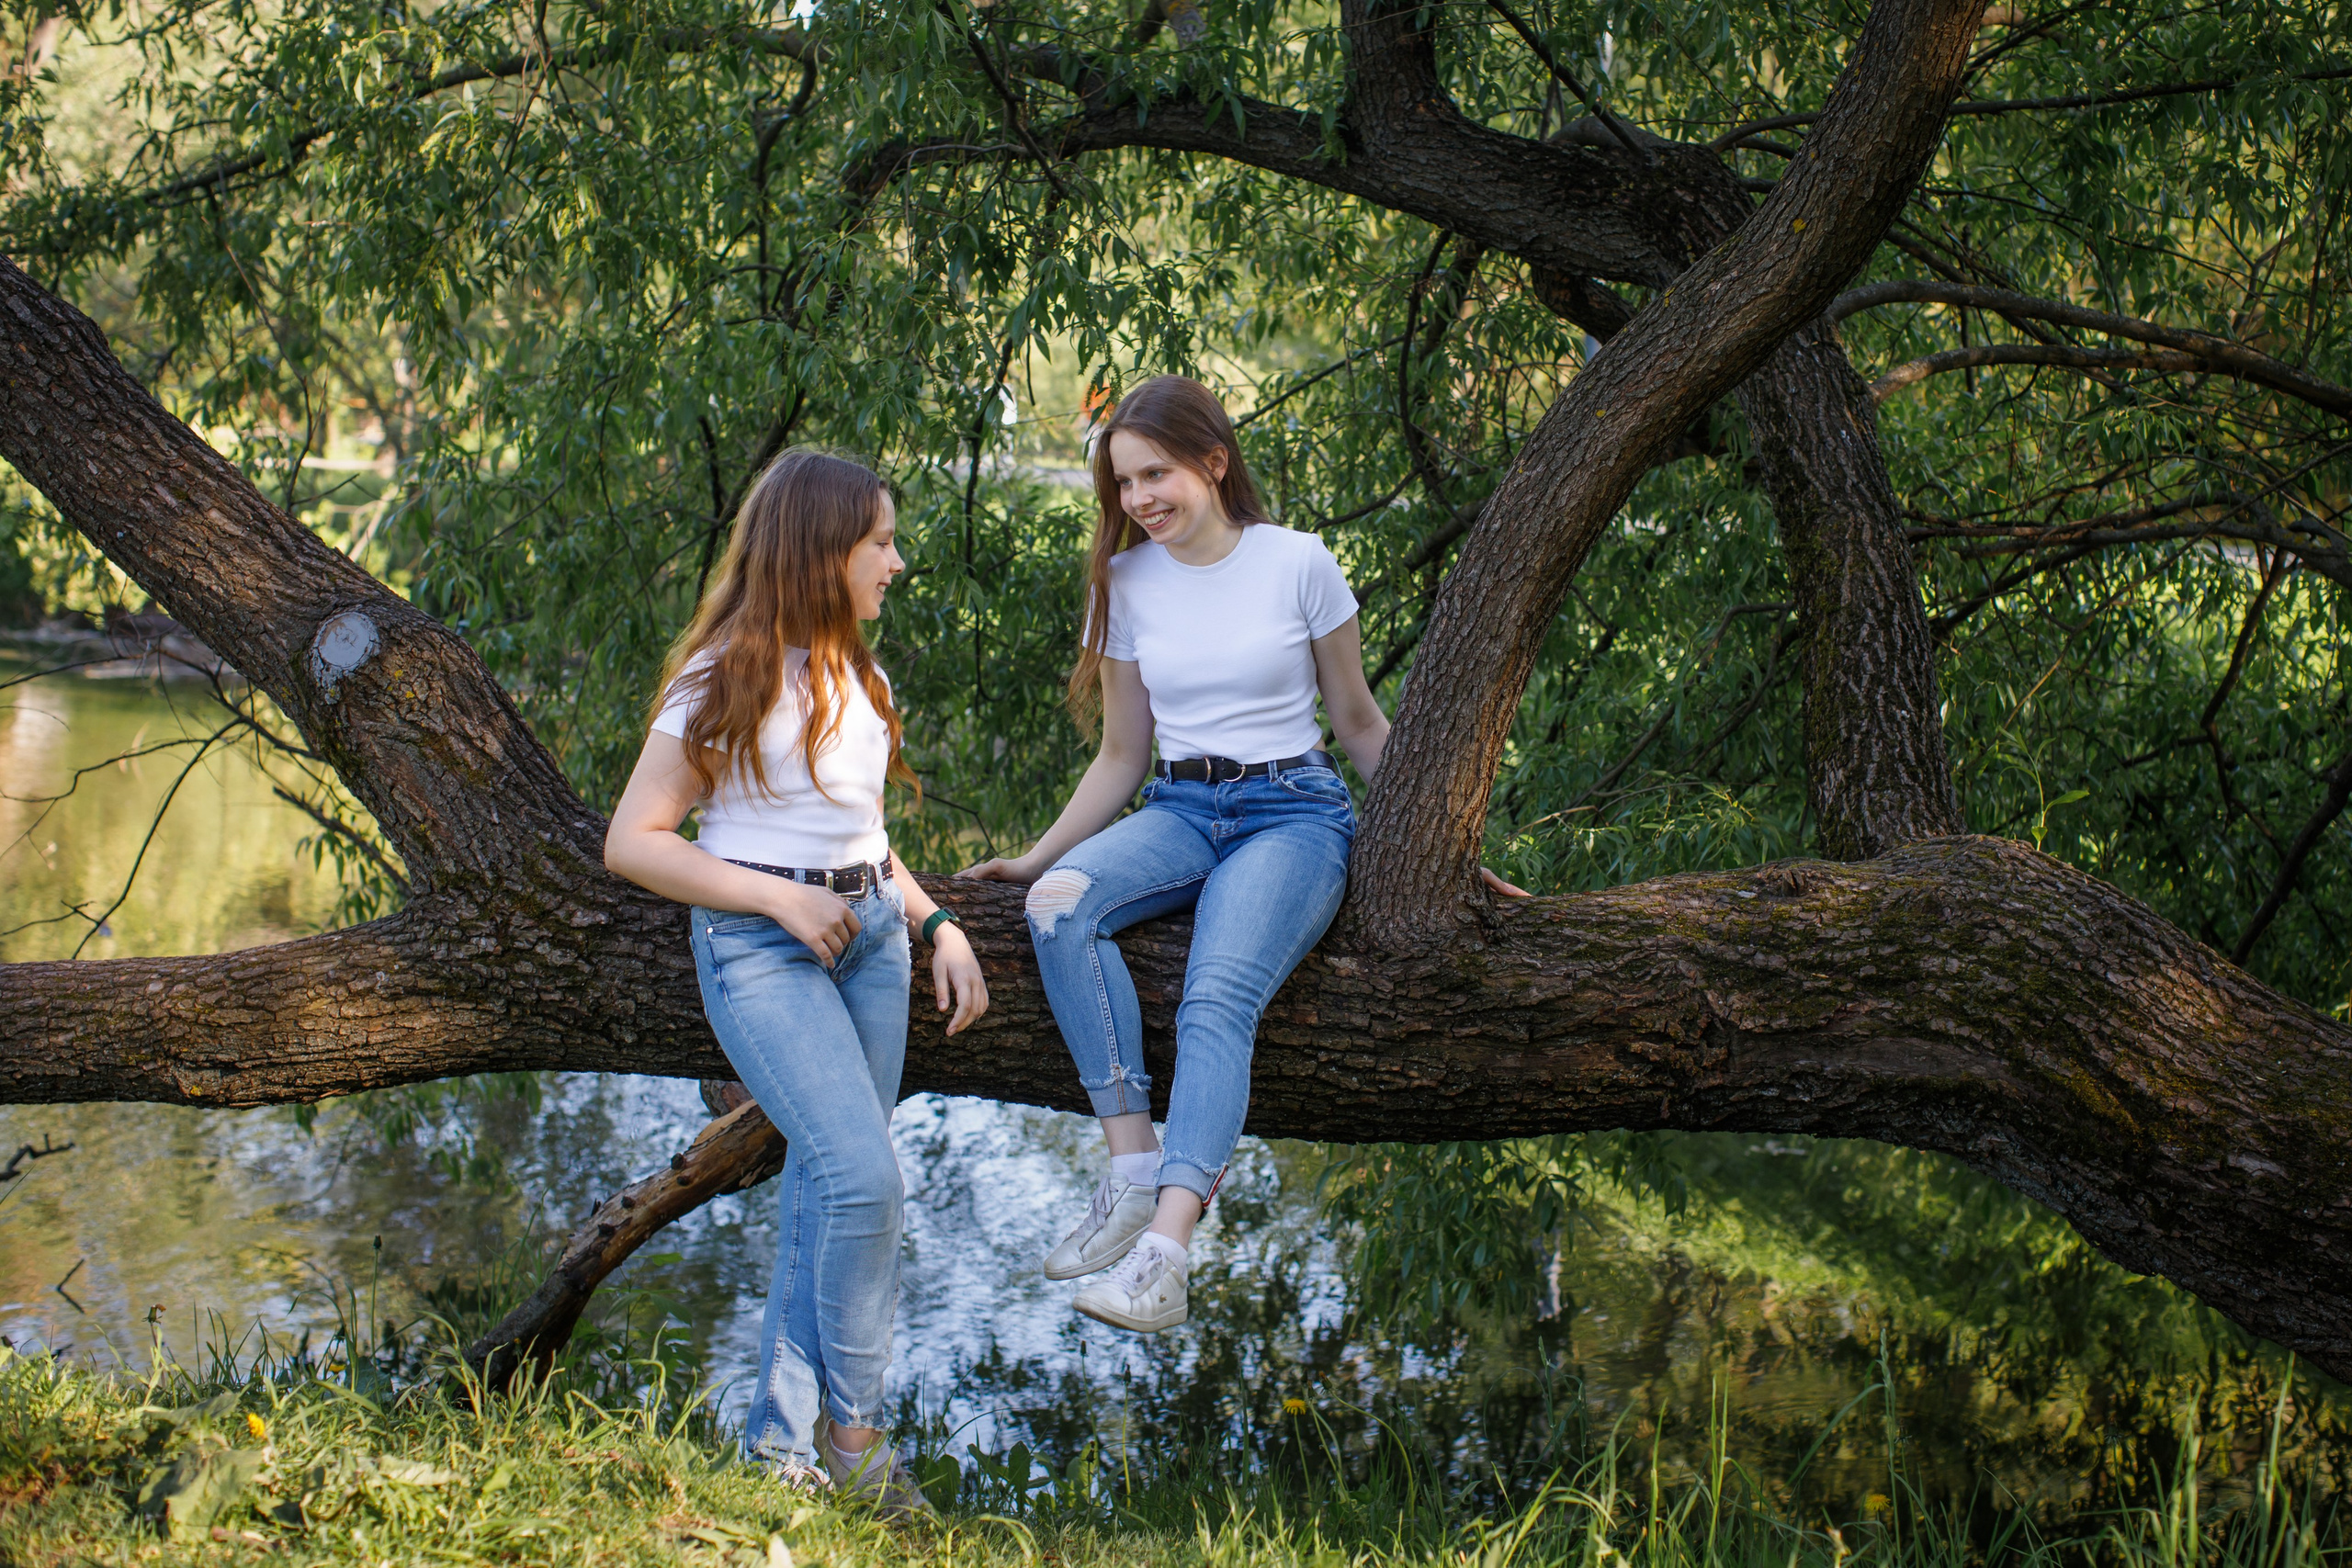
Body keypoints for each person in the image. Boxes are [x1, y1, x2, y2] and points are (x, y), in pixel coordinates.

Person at [961, 375, 1522, 1334]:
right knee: (1057, 905)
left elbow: (1358, 724)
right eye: (1124, 483)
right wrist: (1035, 856)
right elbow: (1121, 755)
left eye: (1156, 473)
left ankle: (1165, 1257)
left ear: (1213, 462)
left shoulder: (1297, 563)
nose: (1139, 500)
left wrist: (1447, 853)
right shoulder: (1123, 583)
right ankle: (1131, 1167)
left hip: (1293, 813)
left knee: (1216, 994)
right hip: (1180, 805)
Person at [605, 448, 986, 1509]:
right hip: (765, 944)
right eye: (880, 543)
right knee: (866, 1181)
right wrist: (776, 898)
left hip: (873, 937)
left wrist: (937, 921)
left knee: (827, 1189)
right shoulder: (722, 673)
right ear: (823, 552)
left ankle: (780, 1451)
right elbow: (634, 842)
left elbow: (863, 834)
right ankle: (859, 1438)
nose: (896, 564)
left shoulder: (862, 675)